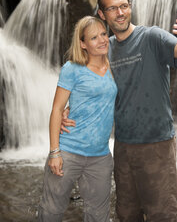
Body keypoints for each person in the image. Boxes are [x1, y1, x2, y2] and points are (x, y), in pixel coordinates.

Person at [62, 0, 177, 222]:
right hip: (123, 147)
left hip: (157, 145)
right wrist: (69, 108)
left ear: (130, 6)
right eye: (113, 8)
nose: (120, 13)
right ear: (102, 14)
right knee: (126, 215)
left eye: (124, 5)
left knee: (163, 215)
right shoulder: (105, 50)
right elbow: (91, 87)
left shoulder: (152, 37)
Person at [38, 16, 118, 222]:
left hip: (100, 157)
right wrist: (54, 152)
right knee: (51, 211)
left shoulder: (114, 65)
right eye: (93, 38)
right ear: (83, 44)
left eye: (103, 34)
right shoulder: (72, 69)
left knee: (99, 215)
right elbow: (57, 110)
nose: (102, 40)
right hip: (68, 152)